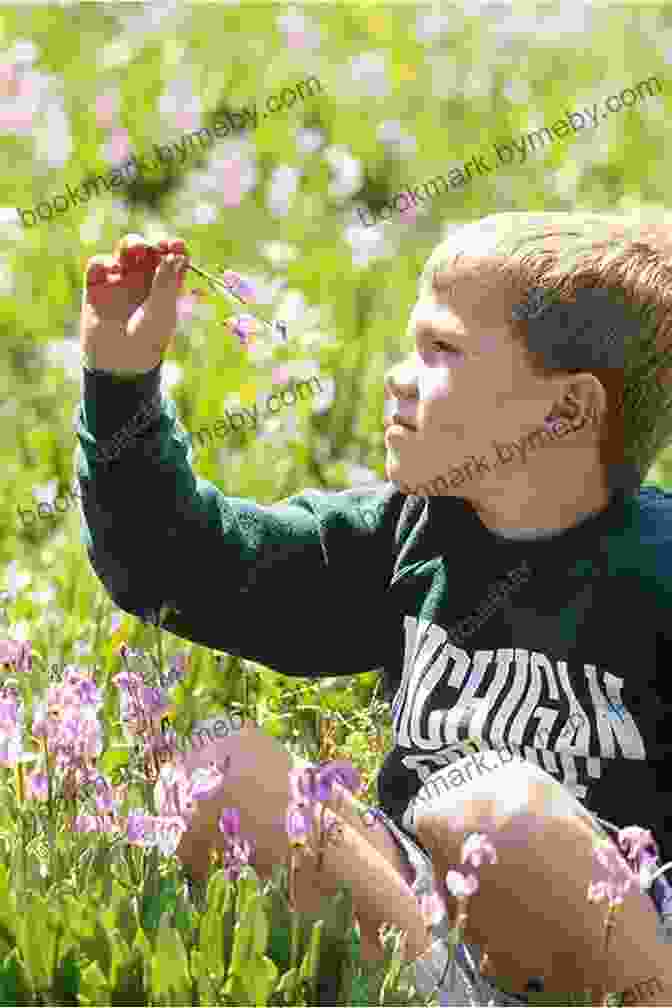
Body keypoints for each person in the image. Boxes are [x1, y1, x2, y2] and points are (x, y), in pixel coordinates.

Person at [73, 218, 672, 1004]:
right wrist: (120, 384)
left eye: (441, 351)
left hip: (618, 940)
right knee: (220, 774)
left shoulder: (655, 567)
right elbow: (184, 565)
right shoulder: (402, 535)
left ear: (565, 410)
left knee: (492, 812)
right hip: (425, 923)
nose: (398, 376)